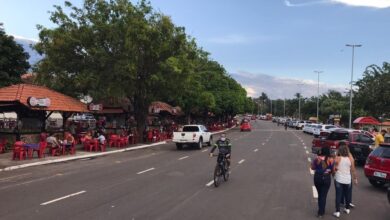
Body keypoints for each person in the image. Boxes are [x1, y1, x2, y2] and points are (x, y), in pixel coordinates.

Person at [333, 143, 358, 218]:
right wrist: (355, 178)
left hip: (339, 179)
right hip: (347, 180)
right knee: (347, 195)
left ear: (339, 151)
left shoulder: (338, 158)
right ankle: (347, 208)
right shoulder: (350, 159)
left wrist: (334, 172)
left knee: (338, 195)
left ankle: (337, 212)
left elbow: (334, 169)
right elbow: (353, 170)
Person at [311, 147, 334, 218]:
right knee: (323, 196)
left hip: (317, 178)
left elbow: (312, 168)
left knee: (320, 195)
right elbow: (332, 170)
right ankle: (321, 212)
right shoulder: (331, 160)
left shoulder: (317, 159)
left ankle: (321, 210)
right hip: (326, 178)